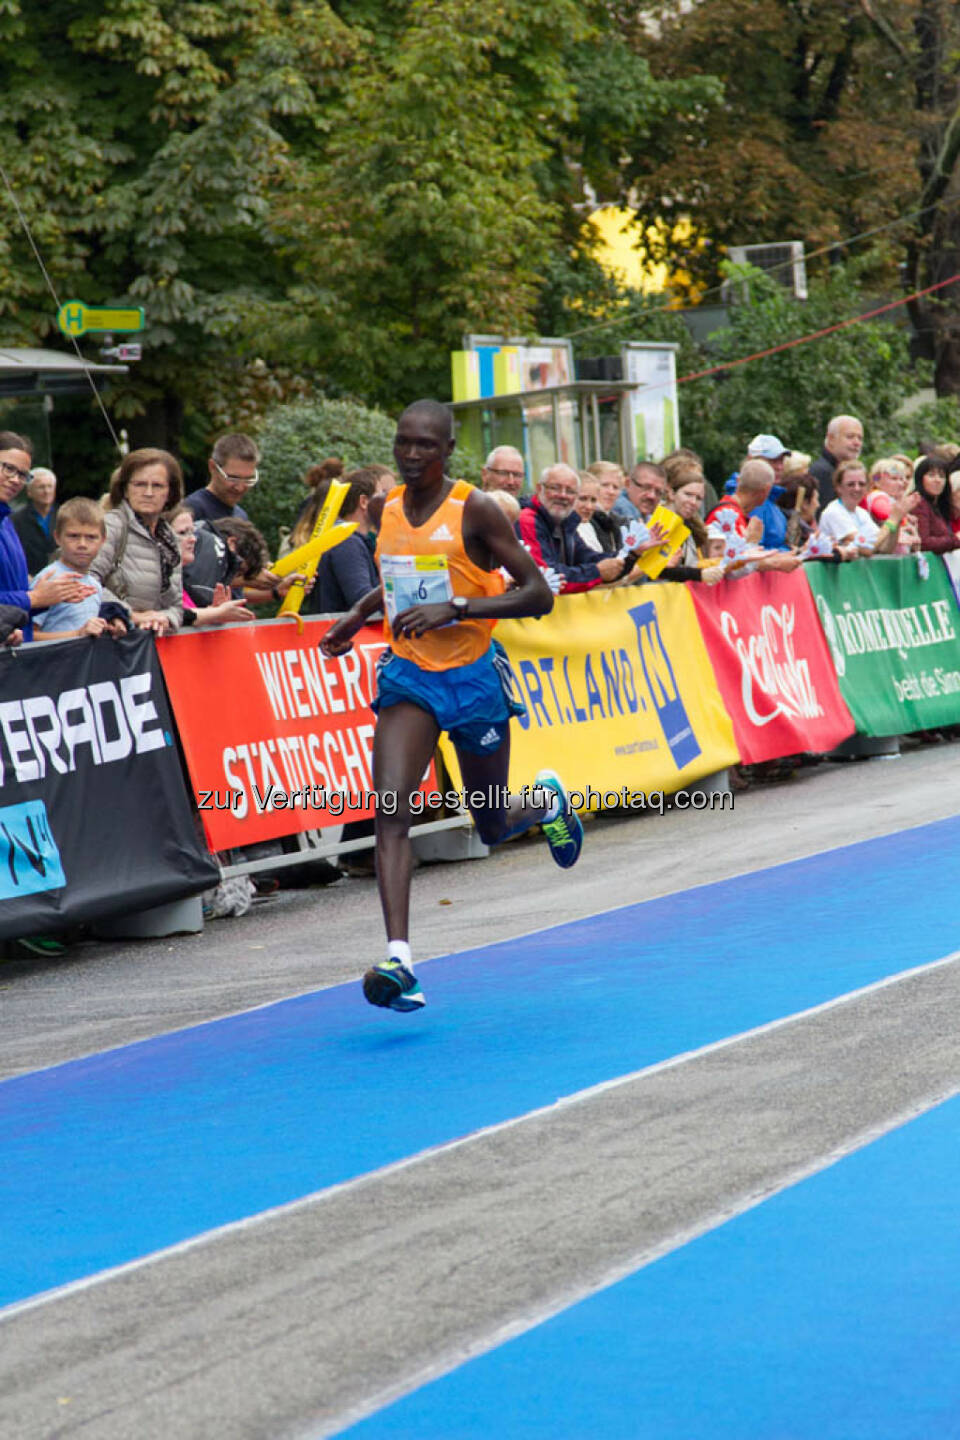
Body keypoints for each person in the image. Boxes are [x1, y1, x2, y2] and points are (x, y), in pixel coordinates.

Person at [319, 399, 584, 1015]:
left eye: (425, 447)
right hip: (410, 676)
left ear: (446, 452)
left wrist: (457, 609)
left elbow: (538, 594)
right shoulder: (385, 508)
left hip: (472, 679)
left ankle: (543, 803)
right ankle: (400, 959)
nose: (411, 456)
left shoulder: (477, 509)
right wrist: (356, 618)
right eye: (402, 444)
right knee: (390, 808)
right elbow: (395, 576)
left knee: (489, 824)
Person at [0, 431, 91, 641]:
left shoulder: (6, 521)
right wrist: (35, 597)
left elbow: (17, 598)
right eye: (8, 468)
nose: (15, 479)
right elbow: (25, 599)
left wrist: (54, 595)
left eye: (23, 475)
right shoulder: (14, 520)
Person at [90, 447, 184, 633]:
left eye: (157, 486)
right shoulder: (112, 525)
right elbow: (86, 581)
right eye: (139, 484)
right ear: (125, 490)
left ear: (170, 493)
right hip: (111, 639)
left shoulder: (170, 538)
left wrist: (164, 619)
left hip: (153, 643)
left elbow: (176, 605)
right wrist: (130, 614)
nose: (148, 492)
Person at [518, 464, 638, 591]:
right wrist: (596, 572)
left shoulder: (566, 521)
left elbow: (590, 558)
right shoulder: (527, 519)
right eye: (555, 488)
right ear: (539, 489)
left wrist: (632, 554)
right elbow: (547, 577)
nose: (562, 495)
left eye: (570, 491)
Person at [32, 498, 129, 641]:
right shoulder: (49, 579)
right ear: (58, 537)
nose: (82, 544)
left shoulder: (95, 585)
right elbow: (27, 637)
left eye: (91, 537)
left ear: (103, 540)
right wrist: (77, 634)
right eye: (73, 536)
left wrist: (107, 627)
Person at [303, 467, 381, 614]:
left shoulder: (349, 540)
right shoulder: (347, 543)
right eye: (380, 495)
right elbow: (363, 600)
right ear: (364, 502)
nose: (386, 502)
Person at [168, 508, 256, 626]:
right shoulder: (156, 582)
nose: (193, 539)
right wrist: (214, 614)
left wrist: (214, 613)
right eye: (182, 533)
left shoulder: (181, 583)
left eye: (193, 532)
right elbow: (169, 616)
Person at [818, 458, 917, 557]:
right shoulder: (834, 512)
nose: (857, 488)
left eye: (861, 484)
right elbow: (867, 548)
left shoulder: (861, 513)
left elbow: (883, 548)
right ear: (839, 487)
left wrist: (898, 520)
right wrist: (893, 519)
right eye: (851, 484)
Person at [184, 432, 259, 524]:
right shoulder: (191, 510)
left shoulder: (241, 516)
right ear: (212, 467)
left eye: (248, 480)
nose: (240, 487)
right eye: (233, 478)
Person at [809, 415, 864, 508]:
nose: (857, 443)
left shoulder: (838, 471)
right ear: (831, 439)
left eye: (860, 438)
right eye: (850, 437)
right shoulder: (822, 472)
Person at [13, 465, 58, 577]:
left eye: (50, 486)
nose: (46, 491)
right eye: (41, 487)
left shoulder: (64, 516)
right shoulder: (15, 520)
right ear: (29, 492)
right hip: (28, 579)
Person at [912, 452, 960, 555]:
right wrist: (955, 539)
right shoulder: (918, 503)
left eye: (942, 476)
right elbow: (923, 542)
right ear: (921, 478)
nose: (937, 480)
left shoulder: (937, 506)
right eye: (931, 475)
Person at [585, 461, 625, 554]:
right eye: (605, 485)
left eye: (615, 487)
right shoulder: (584, 519)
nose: (611, 492)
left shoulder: (617, 523)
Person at [610, 461, 667, 526]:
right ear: (627, 483)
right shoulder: (621, 511)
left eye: (658, 492)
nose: (652, 496)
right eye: (646, 487)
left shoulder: (649, 516)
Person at [574, 472, 604, 553]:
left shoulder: (590, 526)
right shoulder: (562, 531)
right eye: (583, 499)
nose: (589, 506)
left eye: (593, 500)